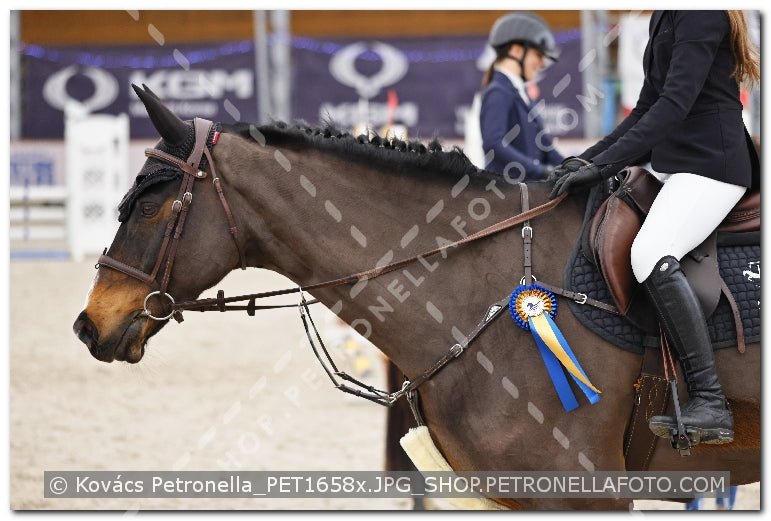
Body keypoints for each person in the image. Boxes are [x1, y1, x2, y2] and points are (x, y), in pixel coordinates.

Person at [550, 11, 760, 445]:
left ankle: (710, 400)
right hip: (677, 166)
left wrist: (605, 163)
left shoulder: (702, 12)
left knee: (650, 252)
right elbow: (646, 107)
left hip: (712, 166)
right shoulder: (665, 14)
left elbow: (674, 104)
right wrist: (588, 159)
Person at [479, 12, 564, 181]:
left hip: (527, 191)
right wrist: (540, 171)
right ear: (517, 50)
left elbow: (544, 145)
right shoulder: (498, 92)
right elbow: (494, 144)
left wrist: (572, 168)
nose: (541, 64)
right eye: (538, 55)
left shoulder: (520, 93)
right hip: (506, 195)